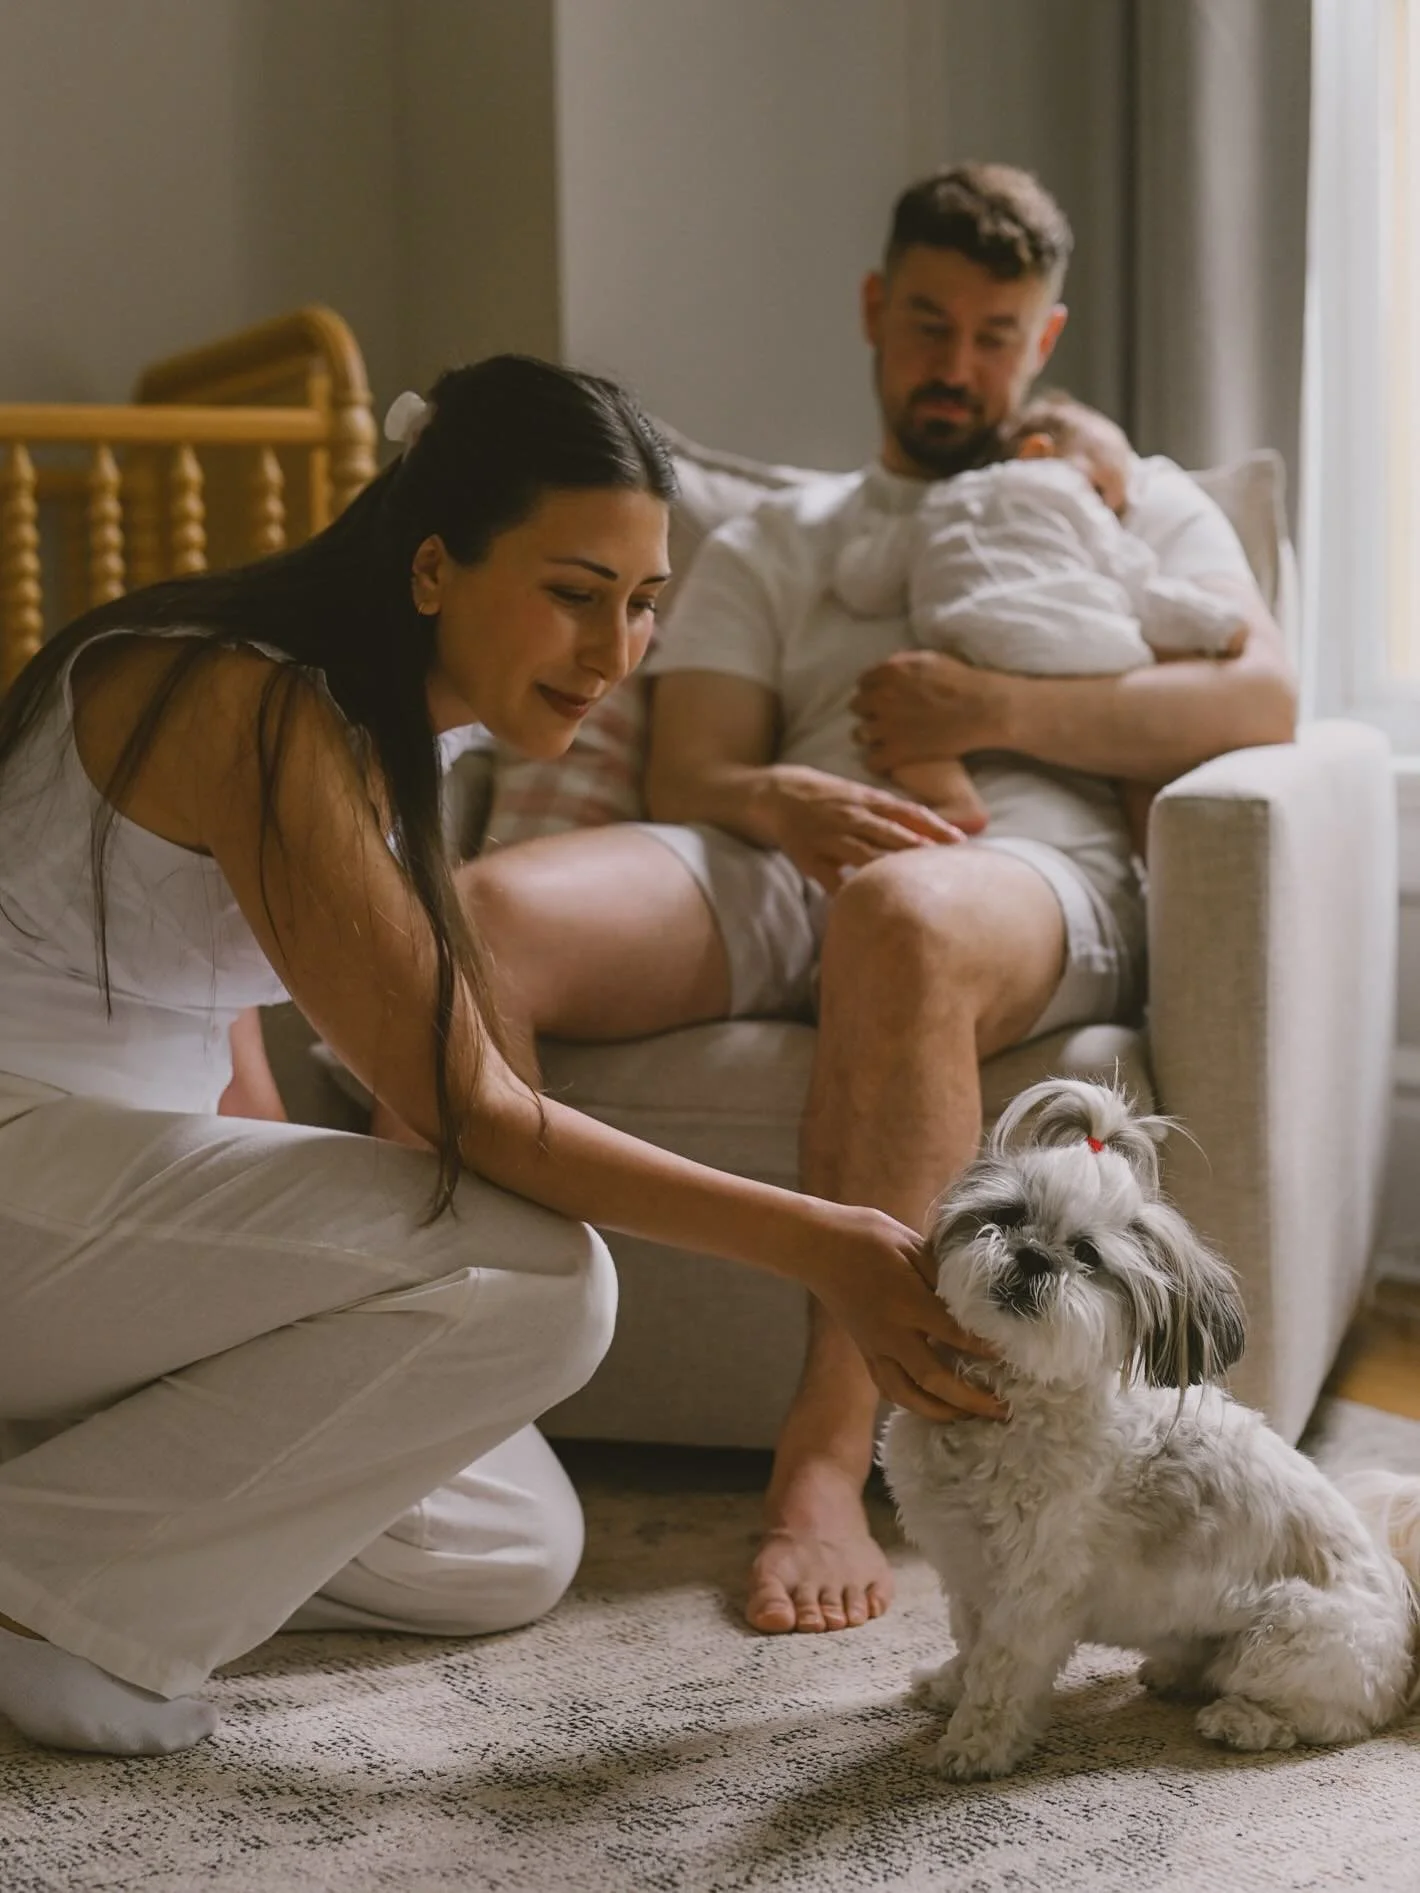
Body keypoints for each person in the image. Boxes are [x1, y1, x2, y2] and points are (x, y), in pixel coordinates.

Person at [0, 357, 994, 1759]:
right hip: (22, 1174)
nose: (617, 651)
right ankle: (47, 1601)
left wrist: (271, 1266)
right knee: (535, 1271)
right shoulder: (250, 703)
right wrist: (829, 1242)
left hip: (91, 1215)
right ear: (431, 569)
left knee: (503, 1547)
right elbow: (473, 1109)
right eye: (576, 592)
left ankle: (51, 1521)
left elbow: (216, 1024)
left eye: (645, 605)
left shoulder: (388, 727)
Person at [444, 162, 1299, 1639]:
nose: (956, 363)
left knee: (899, 915)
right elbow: (702, 759)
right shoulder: (781, 538)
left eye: (994, 331)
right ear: (872, 312)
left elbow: (1265, 698)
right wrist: (786, 795)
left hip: (1018, 882)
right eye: (927, 323)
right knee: (471, 915)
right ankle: (454, 1394)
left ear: (1046, 336)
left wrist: (993, 703)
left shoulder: (1132, 502)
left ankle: (824, 1467)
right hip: (783, 860)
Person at [833, 390, 1246, 834]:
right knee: (1137, 755)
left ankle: (952, 798)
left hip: (968, 645)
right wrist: (1215, 625)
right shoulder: (1070, 496)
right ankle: (1149, 843)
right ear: (1037, 453)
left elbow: (865, 585)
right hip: (1090, 651)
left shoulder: (937, 502)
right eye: (1104, 490)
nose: (1111, 510)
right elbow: (1135, 587)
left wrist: (856, 547)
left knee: (908, 719)